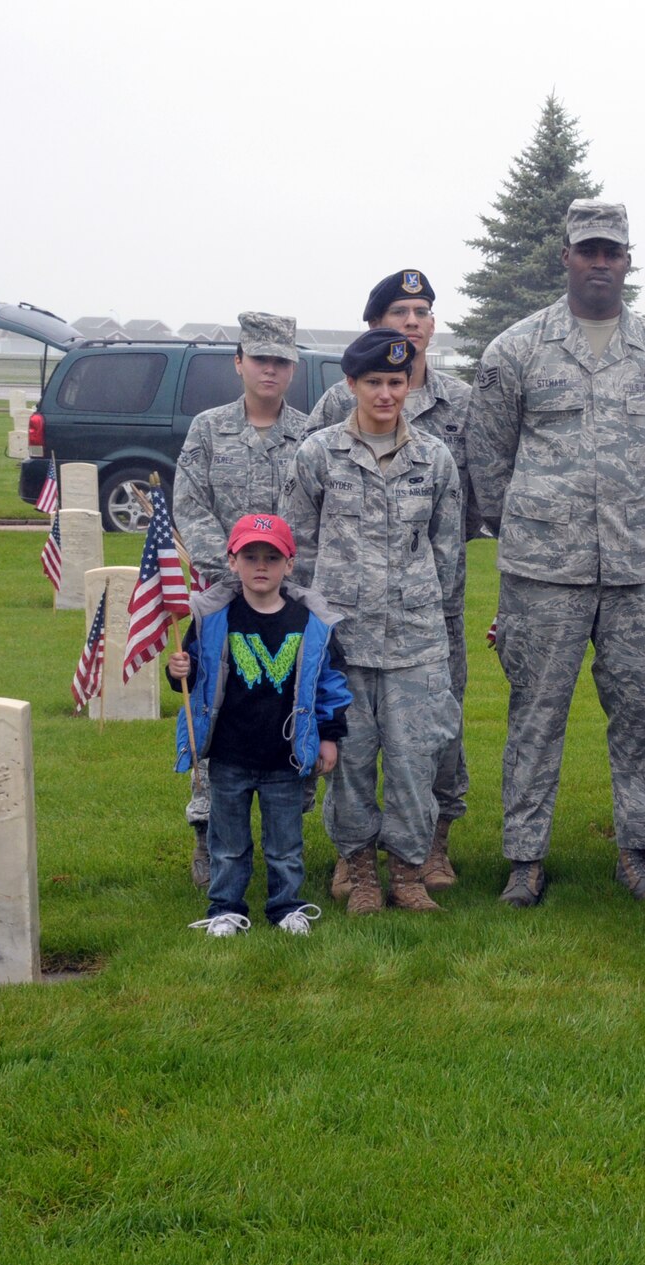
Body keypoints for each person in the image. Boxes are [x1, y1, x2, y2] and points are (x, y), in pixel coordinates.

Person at [465, 200, 645, 906]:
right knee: (536, 713)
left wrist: (640, 523)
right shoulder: (517, 349)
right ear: (566, 255)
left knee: (642, 712)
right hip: (544, 573)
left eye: (612, 252)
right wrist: (535, 525)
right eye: (588, 250)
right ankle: (525, 859)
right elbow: (488, 456)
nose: (600, 262)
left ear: (628, 261)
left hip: (633, 570)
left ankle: (637, 852)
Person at [280, 329, 464, 915]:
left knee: (415, 762)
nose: (386, 393)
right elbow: (296, 547)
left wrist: (440, 620)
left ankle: (408, 873)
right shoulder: (317, 455)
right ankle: (359, 871)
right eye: (374, 382)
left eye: (396, 381)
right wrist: (310, 627)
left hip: (415, 642)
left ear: (409, 385)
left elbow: (448, 552)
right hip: (344, 643)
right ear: (351, 384)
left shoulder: (433, 458)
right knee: (350, 763)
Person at [171, 311, 309, 890]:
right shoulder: (208, 429)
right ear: (240, 363)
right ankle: (208, 829)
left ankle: (286, 826)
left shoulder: (309, 435)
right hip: (221, 593)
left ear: (292, 367)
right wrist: (228, 567)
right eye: (260, 360)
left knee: (285, 699)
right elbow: (189, 502)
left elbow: (314, 511)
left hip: (288, 596)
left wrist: (284, 572)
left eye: (281, 361)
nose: (270, 370)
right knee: (215, 704)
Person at [168, 513, 351, 938]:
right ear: (232, 562)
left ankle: (286, 907)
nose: (261, 566)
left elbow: (330, 684)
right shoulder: (214, 618)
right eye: (250, 556)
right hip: (229, 754)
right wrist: (181, 668)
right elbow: (196, 679)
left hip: (283, 756)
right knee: (227, 843)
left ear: (290, 563)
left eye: (272, 556)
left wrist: (329, 736)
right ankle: (225, 909)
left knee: (285, 845)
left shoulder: (311, 624)